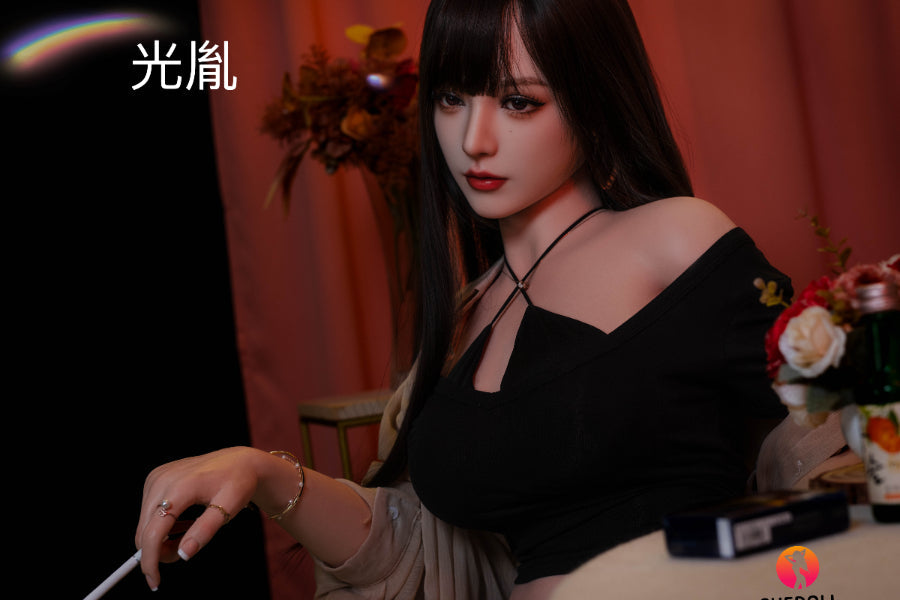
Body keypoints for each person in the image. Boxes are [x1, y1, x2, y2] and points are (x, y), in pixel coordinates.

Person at [135, 1, 792, 598]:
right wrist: (261, 473)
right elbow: (416, 550)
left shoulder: (674, 237)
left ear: (593, 96)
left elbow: (822, 424)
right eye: (451, 98)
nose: (473, 139)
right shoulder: (463, 318)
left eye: (518, 102)